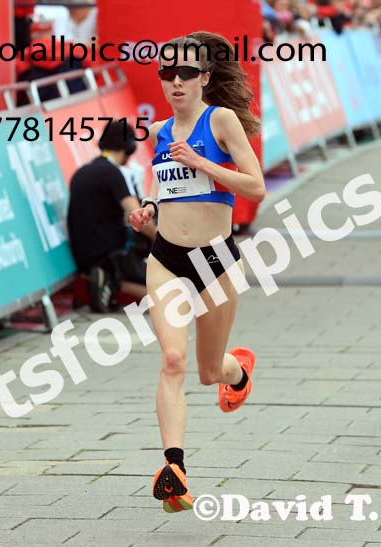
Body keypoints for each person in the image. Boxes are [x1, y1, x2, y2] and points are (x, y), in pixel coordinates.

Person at [128, 31, 265, 513]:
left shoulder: (220, 120)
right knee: (171, 361)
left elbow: (256, 187)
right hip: (166, 258)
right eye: (167, 73)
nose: (176, 81)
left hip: (215, 261)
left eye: (187, 73)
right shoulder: (161, 131)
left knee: (209, 372)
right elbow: (160, 178)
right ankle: (174, 470)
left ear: (205, 77)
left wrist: (203, 160)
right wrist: (147, 205)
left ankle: (237, 370)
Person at [67, 119, 157, 312]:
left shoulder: (81, 172)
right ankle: (112, 282)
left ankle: (106, 281)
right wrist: (160, 239)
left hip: (83, 256)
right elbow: (138, 215)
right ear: (130, 147)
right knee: (166, 296)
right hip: (110, 254)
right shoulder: (113, 173)